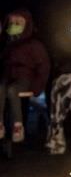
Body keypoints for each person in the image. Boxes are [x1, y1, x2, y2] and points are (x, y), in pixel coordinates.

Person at [0, 10, 50, 142]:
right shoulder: (7, 44)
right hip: (7, 77)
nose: (14, 25)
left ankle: (18, 125)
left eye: (18, 23)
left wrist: (37, 86)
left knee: (12, 91)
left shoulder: (33, 45)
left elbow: (44, 66)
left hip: (25, 78)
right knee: (1, 88)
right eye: (11, 23)